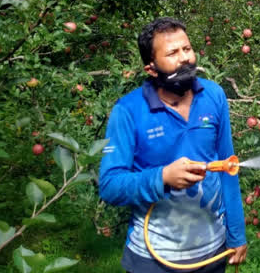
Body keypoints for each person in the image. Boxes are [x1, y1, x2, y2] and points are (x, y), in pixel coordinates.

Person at [99, 17, 248, 272]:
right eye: (172, 53)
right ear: (151, 69)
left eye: (187, 49)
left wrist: (236, 234)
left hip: (211, 252)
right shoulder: (128, 111)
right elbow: (110, 186)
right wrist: (163, 177)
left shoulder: (214, 96)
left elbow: (228, 167)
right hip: (153, 258)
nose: (184, 58)